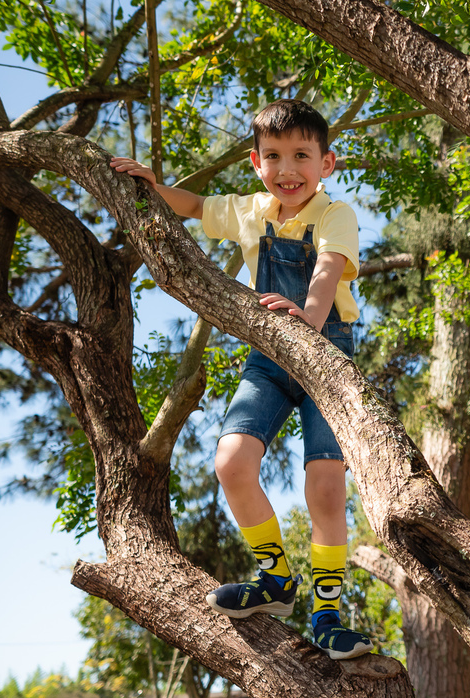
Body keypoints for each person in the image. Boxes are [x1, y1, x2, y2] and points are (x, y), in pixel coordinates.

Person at [111, 99, 372, 660]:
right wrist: (152, 186)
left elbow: (328, 269)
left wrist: (308, 319)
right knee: (231, 462)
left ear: (326, 163)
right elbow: (195, 205)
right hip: (268, 357)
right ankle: (275, 581)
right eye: (273, 156)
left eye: (301, 155)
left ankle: (328, 613)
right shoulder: (251, 210)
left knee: (326, 486)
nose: (287, 169)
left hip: (328, 351)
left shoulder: (336, 213)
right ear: (256, 162)